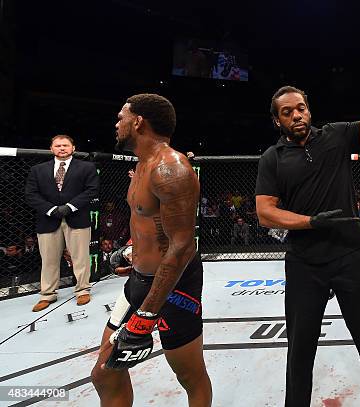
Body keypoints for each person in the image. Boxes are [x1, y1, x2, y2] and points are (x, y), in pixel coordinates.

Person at [256, 76, 360, 406]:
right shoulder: (273, 157)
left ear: (308, 110)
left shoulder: (336, 136)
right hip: (304, 261)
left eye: (301, 108)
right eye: (287, 112)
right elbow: (265, 212)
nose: (296, 115)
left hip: (351, 255)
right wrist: (309, 222)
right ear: (277, 120)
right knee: (300, 347)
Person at [90, 94, 212, 406]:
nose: (117, 124)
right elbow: (151, 227)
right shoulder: (143, 165)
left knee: (190, 376)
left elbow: (183, 246)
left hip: (174, 287)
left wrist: (146, 314)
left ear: (138, 122)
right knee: (105, 373)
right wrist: (134, 254)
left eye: (121, 117)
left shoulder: (170, 169)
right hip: (139, 280)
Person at [25, 134, 99, 311]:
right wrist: (51, 210)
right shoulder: (38, 170)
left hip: (77, 217)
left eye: (65, 145)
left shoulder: (87, 167)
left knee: (80, 257)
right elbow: (31, 195)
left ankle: (82, 291)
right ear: (51, 149)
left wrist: (70, 207)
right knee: (49, 260)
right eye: (58, 145)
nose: (62, 148)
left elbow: (92, 190)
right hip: (48, 219)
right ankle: (48, 295)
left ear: (73, 148)